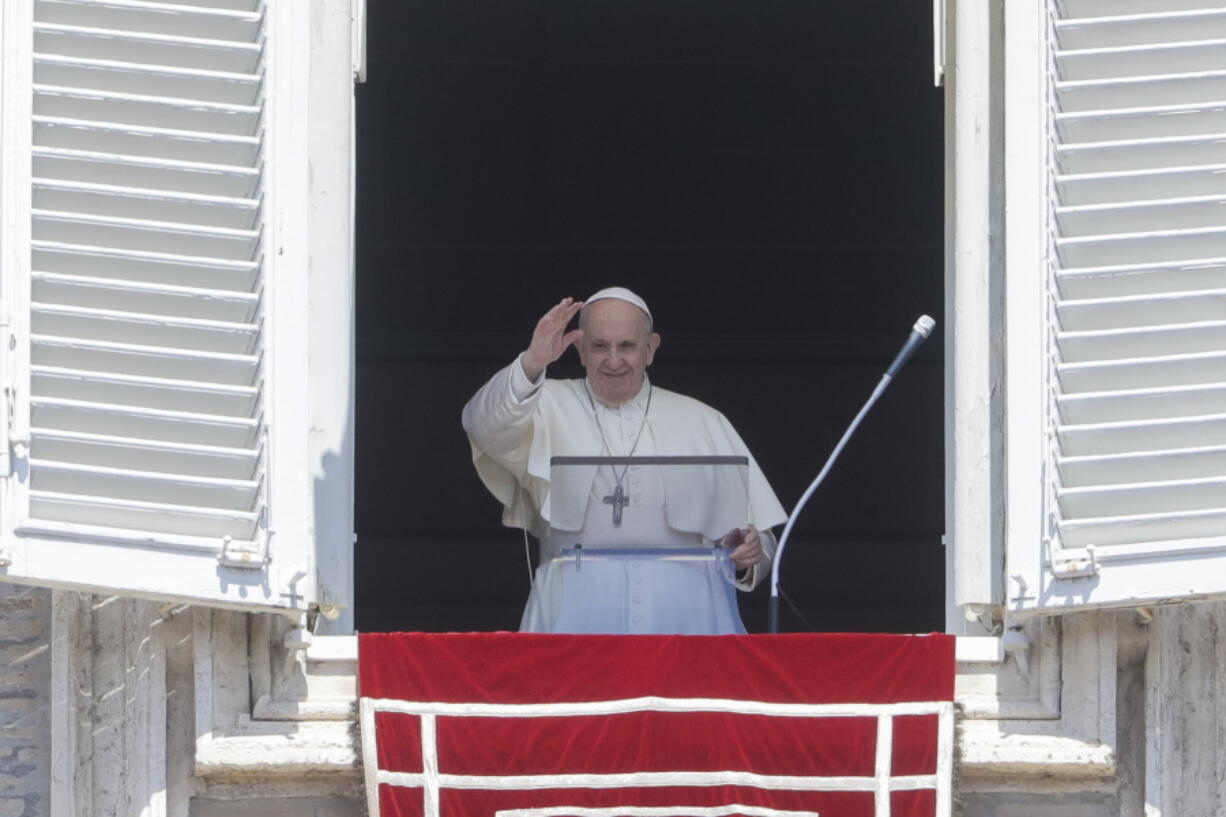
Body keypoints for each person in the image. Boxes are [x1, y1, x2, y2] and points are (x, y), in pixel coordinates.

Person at [462, 287, 787, 634]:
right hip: (574, 616)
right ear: (580, 349)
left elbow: (760, 542)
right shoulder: (543, 405)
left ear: (650, 348)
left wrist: (747, 553)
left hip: (687, 618)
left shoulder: (703, 420)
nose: (613, 360)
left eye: (627, 346)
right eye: (600, 346)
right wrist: (532, 361)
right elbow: (483, 426)